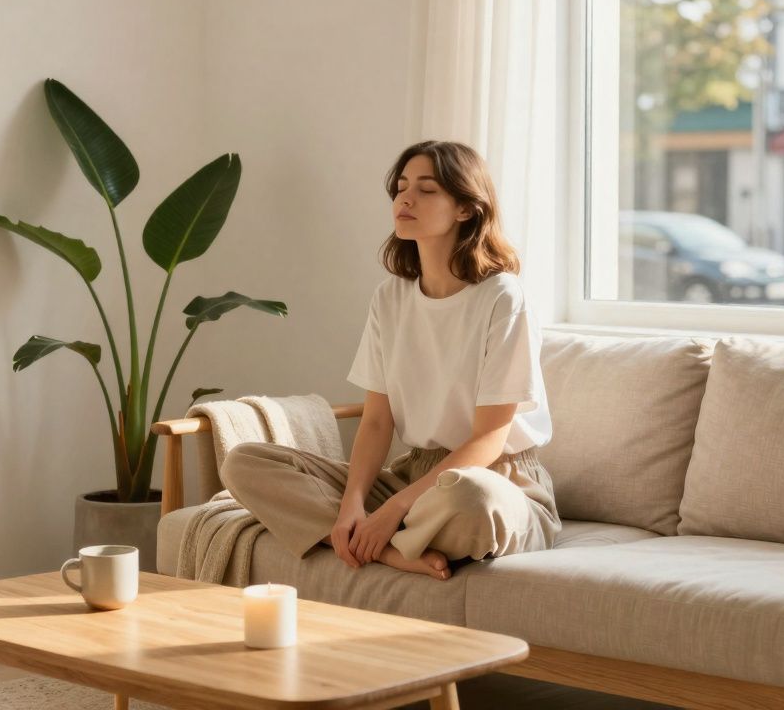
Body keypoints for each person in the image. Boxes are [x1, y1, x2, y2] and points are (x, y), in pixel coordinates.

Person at [219, 140, 559, 582]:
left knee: (471, 501)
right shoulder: (391, 298)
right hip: (414, 473)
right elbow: (377, 422)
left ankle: (381, 537)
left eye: (427, 189)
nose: (405, 198)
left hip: (493, 479)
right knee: (244, 462)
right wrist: (353, 506)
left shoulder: (501, 296)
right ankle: (387, 550)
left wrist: (393, 510)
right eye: (400, 187)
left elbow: (490, 438)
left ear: (465, 208)